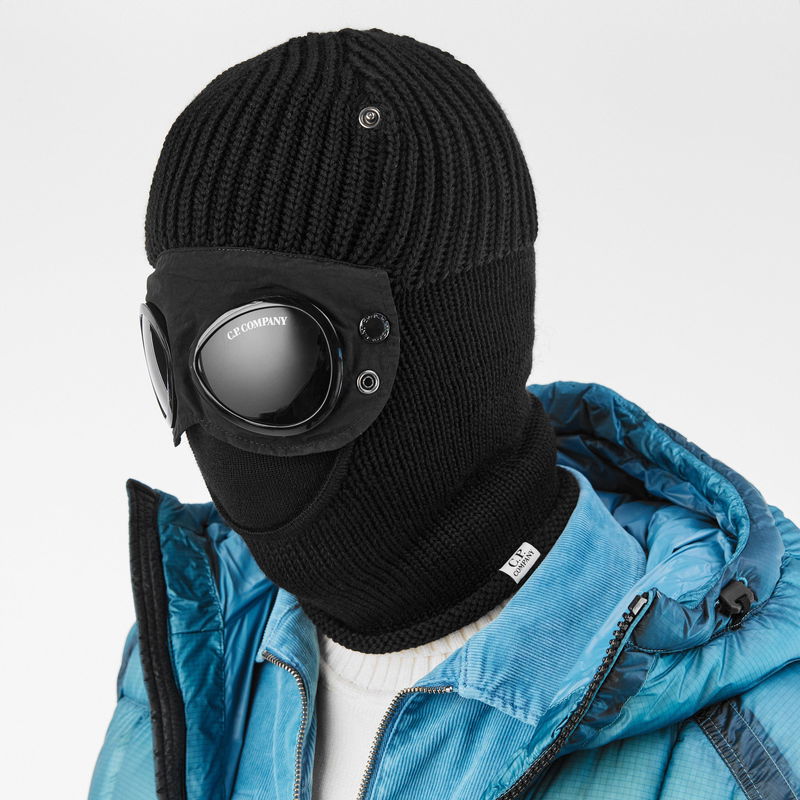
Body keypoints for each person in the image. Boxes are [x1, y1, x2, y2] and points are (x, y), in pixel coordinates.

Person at [90, 28, 800, 800]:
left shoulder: (750, 751)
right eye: (169, 360)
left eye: (259, 360)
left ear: (449, 350)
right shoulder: (195, 659)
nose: (203, 424)